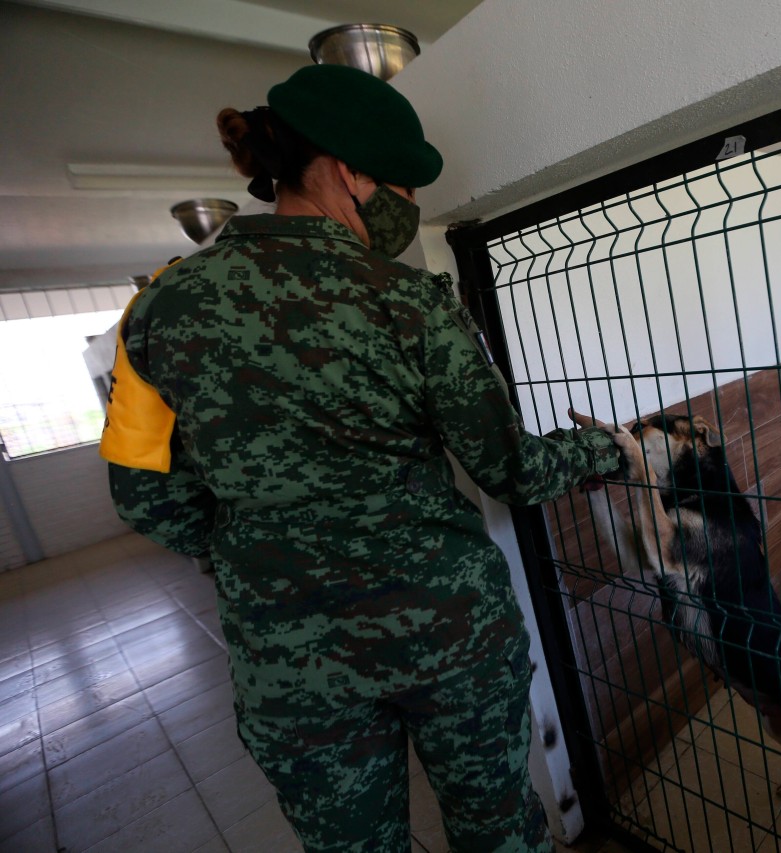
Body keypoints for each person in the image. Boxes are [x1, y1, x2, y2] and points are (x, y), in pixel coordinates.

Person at [103, 64, 622, 853]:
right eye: (401, 186)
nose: (407, 208)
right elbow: (511, 468)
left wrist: (256, 555)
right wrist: (606, 447)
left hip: (289, 659)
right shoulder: (410, 302)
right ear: (348, 172)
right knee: (498, 831)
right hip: (449, 634)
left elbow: (142, 493)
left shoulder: (157, 309)